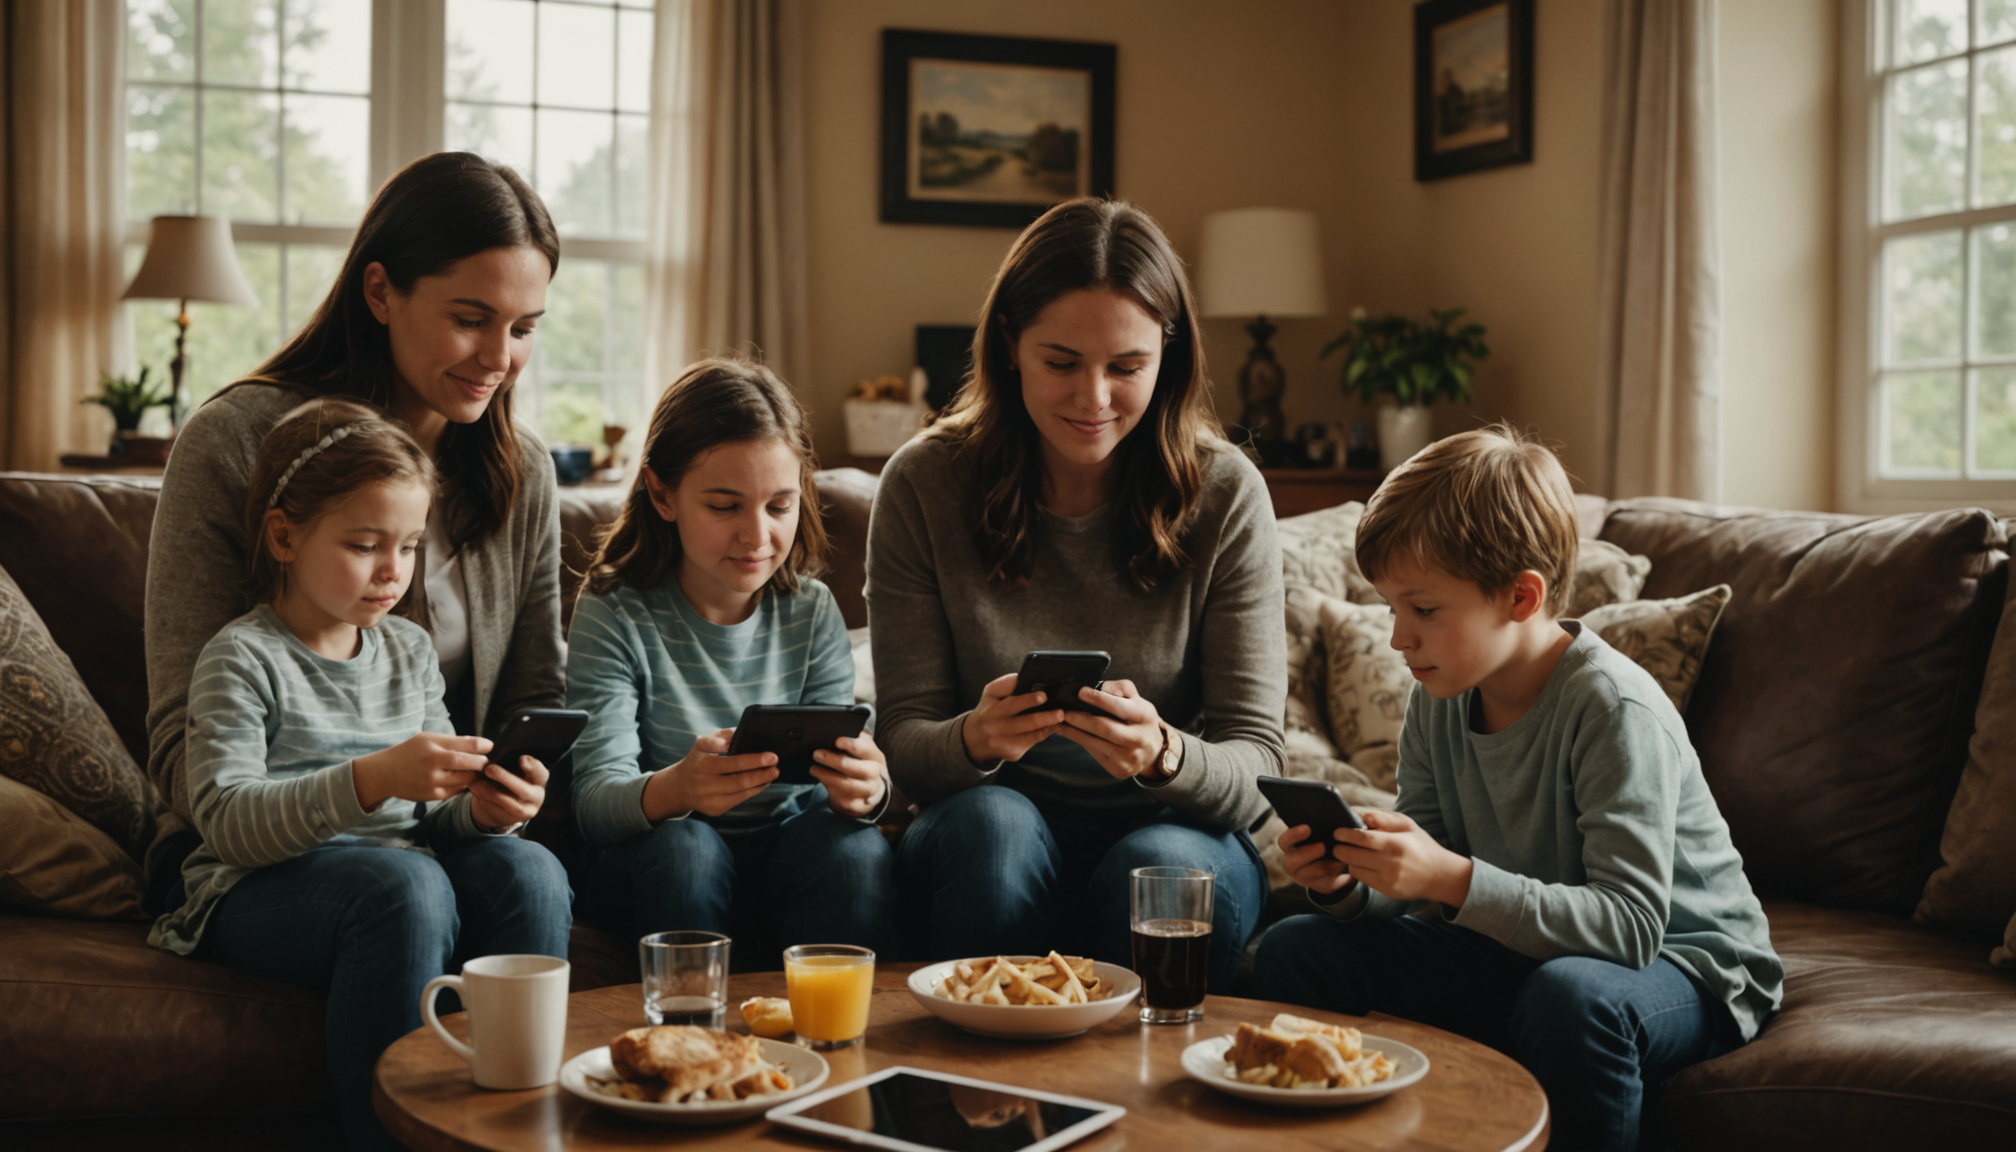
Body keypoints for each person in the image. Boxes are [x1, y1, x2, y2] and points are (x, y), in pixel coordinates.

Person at [1250, 427, 1783, 1152]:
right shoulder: (1439, 694)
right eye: (1391, 609)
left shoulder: (1612, 709)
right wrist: (1350, 881)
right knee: (1297, 947)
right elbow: (1423, 863)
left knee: (1570, 999)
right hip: (1522, 946)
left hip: (1683, 964)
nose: (1398, 638)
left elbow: (1628, 928)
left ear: (1522, 596)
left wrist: (1453, 879)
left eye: (1424, 610)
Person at [869, 197, 1285, 988]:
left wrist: (1162, 755)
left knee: (1161, 865)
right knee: (996, 830)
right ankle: (978, 1096)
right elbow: (902, 747)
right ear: (1009, 347)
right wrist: (977, 739)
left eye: (1126, 368)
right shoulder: (924, 483)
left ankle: (1140, 1102)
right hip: (984, 826)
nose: (1093, 400)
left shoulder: (1227, 492)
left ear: (1168, 357)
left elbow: (1258, 764)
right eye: (1061, 362)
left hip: (1174, 826)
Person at [148, 399, 570, 1151]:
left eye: (408, 547)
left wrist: (485, 808)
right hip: (255, 890)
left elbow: (432, 820)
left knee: (528, 867)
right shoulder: (240, 659)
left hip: (400, 874)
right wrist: (372, 778)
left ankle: (519, 1125)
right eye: (365, 544)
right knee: (405, 887)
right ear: (285, 535)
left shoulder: (407, 652)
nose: (392, 572)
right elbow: (230, 822)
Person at [145, 151, 568, 842]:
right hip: (268, 852)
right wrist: (362, 813)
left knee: (532, 878)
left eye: (523, 329)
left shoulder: (522, 471)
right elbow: (182, 743)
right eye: (470, 318)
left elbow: (532, 701)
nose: (500, 359)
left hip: (446, 832)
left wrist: (507, 802)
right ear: (380, 292)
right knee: (403, 896)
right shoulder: (234, 442)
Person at [568, 358, 896, 956]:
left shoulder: (812, 609)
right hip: (660, 860)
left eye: (779, 506)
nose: (757, 536)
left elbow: (841, 780)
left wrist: (868, 791)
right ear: (662, 494)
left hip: (786, 850)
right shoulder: (615, 610)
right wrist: (679, 788)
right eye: (724, 506)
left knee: (856, 848)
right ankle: (694, 1045)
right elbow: (594, 803)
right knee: (687, 849)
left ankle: (835, 1043)